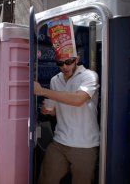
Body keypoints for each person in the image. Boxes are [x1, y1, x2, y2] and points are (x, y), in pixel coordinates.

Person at [34, 16, 100, 184]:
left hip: (85, 145)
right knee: (45, 179)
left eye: (69, 62)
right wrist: (49, 111)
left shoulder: (89, 76)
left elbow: (78, 100)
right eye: (60, 62)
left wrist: (43, 92)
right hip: (60, 141)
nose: (65, 66)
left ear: (76, 59)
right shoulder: (55, 80)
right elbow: (55, 109)